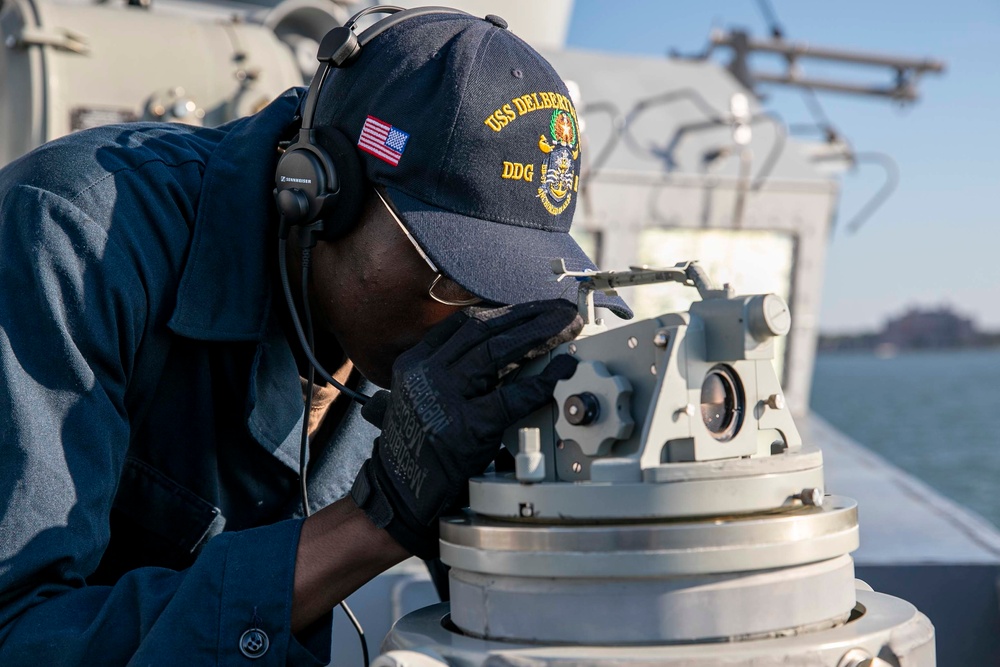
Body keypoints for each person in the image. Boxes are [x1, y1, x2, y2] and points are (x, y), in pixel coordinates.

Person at [0, 8, 629, 665]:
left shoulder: (403, 335)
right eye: (456, 272)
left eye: (512, 289)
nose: (478, 318)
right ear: (318, 192)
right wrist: (375, 518)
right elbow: (18, 635)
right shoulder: (71, 239)